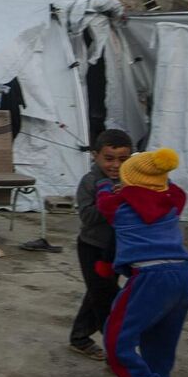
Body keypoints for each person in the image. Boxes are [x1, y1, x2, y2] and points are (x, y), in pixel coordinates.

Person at [95, 147, 188, 377]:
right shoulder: (173, 201)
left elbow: (102, 199)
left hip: (150, 276)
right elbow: (169, 187)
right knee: (160, 342)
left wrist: (105, 182)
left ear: (128, 181)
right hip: (183, 275)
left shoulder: (120, 206)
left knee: (116, 342)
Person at [68, 129, 135, 361]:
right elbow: (87, 216)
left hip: (117, 248)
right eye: (109, 158)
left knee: (97, 294)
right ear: (95, 156)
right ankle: (118, 351)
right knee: (105, 299)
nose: (115, 165)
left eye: (123, 159)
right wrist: (111, 201)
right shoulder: (90, 182)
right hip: (92, 247)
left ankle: (79, 337)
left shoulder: (131, 180)